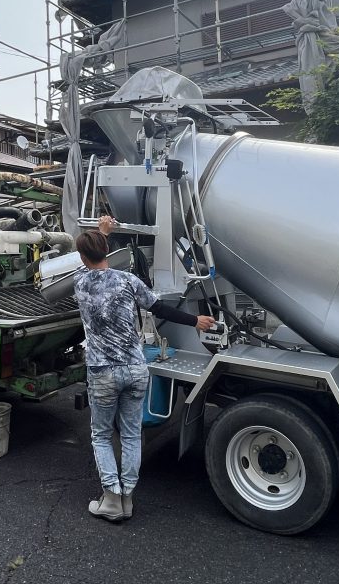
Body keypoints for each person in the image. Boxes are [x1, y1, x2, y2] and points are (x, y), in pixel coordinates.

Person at [74, 215, 216, 522]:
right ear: (106, 251)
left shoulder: (80, 282)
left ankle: (111, 498)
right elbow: (160, 308)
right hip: (136, 369)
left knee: (100, 435)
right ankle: (127, 498)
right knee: (130, 434)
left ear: (83, 257)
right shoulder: (128, 281)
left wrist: (99, 234)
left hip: (103, 372)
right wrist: (196, 321)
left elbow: (89, 261)